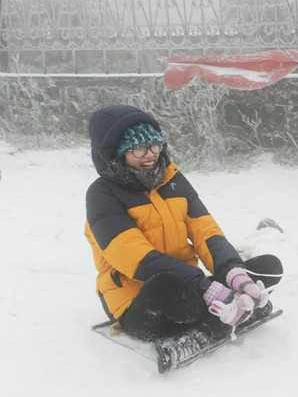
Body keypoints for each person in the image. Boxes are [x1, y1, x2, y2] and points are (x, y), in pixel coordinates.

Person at [84, 104, 283, 353]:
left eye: (155, 145)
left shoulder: (172, 179)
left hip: (190, 284)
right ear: (114, 154)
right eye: (137, 149)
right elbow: (137, 259)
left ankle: (235, 309)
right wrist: (205, 287)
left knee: (268, 268)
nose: (150, 155)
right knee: (178, 296)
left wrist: (234, 274)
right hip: (140, 300)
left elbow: (206, 232)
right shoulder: (102, 195)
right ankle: (212, 326)